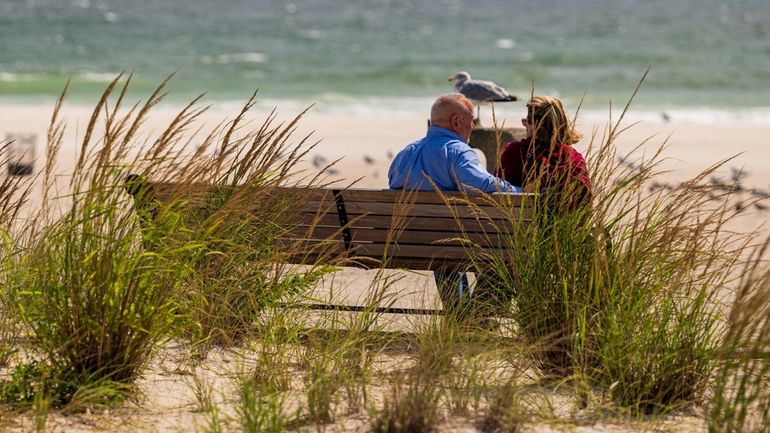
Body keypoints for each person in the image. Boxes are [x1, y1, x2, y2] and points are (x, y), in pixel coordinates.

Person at [388, 93, 521, 313]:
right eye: (472, 121)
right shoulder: (457, 151)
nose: (473, 127)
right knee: (499, 258)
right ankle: (475, 323)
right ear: (457, 122)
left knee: (442, 245)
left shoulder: (405, 153)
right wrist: (524, 192)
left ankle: (461, 317)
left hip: (413, 243)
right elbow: (485, 186)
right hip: (453, 243)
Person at [495, 95, 591, 210]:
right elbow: (586, 204)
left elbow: (496, 191)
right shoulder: (575, 159)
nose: (524, 125)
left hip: (517, 226)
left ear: (534, 126)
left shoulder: (516, 152)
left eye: (526, 122)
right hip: (567, 227)